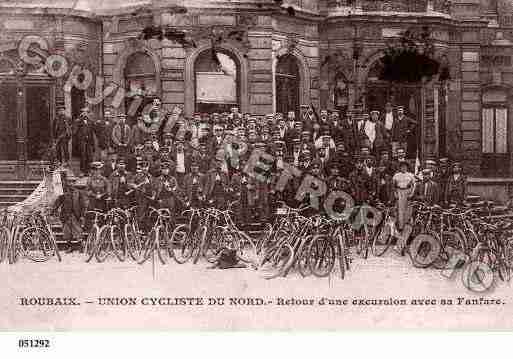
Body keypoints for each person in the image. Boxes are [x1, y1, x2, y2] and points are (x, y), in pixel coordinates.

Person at [52, 173, 83, 253]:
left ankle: (80, 246)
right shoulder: (63, 193)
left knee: (77, 231)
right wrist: (53, 210)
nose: (71, 184)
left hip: (75, 215)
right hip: (66, 215)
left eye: (73, 182)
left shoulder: (78, 192)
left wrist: (82, 214)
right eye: (69, 182)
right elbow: (58, 202)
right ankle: (69, 247)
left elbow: (82, 204)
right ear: (67, 183)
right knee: (67, 232)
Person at [392, 160, 416, 231]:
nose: (403, 168)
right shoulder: (396, 175)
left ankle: (407, 227)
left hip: (408, 192)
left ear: (407, 167)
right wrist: (395, 193)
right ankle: (400, 227)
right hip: (399, 192)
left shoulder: (410, 175)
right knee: (400, 210)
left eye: (405, 166)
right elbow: (393, 186)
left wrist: (412, 193)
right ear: (400, 168)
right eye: (402, 167)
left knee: (408, 210)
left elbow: (414, 185)